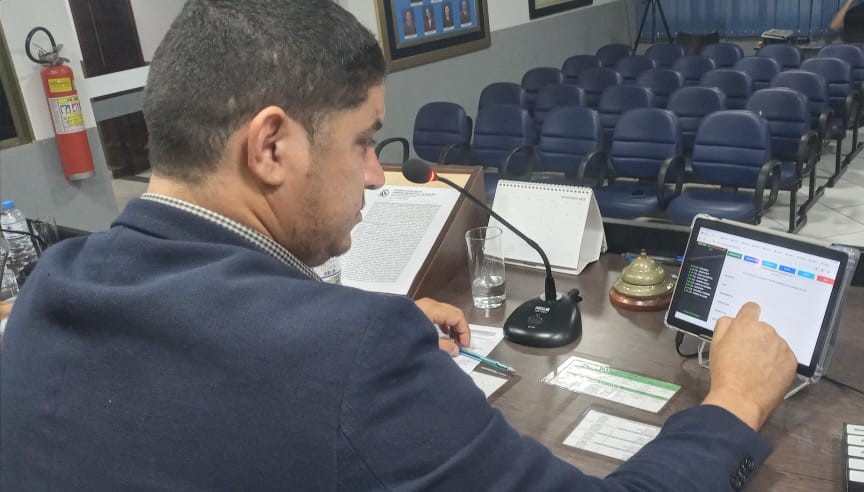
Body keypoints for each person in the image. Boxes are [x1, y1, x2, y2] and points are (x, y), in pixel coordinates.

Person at [0, 1, 798, 489]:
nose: (378, 176)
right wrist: (737, 400)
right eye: (363, 141)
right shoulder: (352, 354)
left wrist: (336, 320)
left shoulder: (50, 291)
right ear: (271, 146)